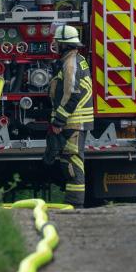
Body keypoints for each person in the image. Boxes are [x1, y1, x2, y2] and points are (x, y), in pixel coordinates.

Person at [46, 24, 94, 208]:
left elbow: (72, 93)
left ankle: (75, 205)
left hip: (73, 122)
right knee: (69, 160)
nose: (55, 45)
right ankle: (74, 204)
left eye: (57, 42)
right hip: (75, 122)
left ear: (64, 45)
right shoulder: (75, 59)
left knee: (72, 163)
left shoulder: (71, 63)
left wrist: (59, 120)